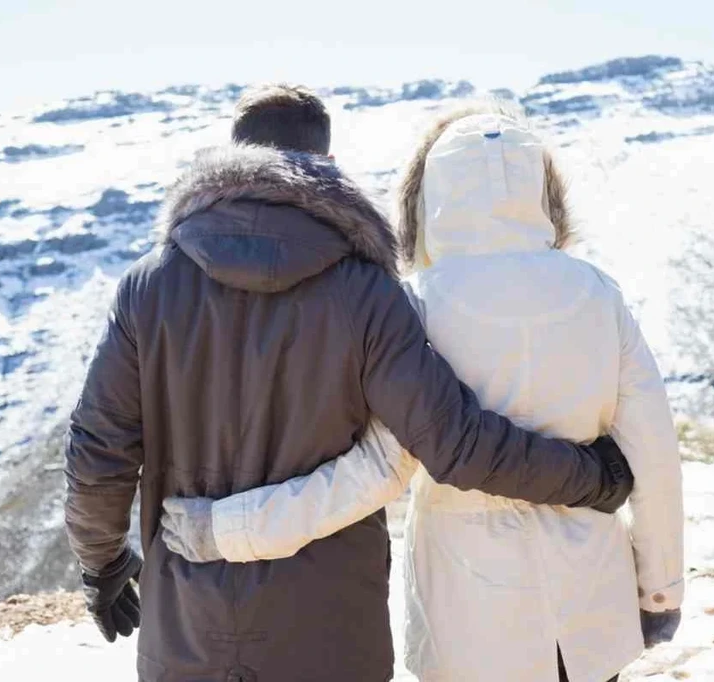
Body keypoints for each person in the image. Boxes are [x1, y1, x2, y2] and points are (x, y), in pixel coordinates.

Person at [63, 85, 634, 682]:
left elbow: (98, 451)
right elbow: (454, 444)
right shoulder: (365, 290)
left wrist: (102, 565)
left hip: (187, 631)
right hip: (333, 637)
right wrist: (593, 477)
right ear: (327, 168)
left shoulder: (148, 288)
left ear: (228, 161)